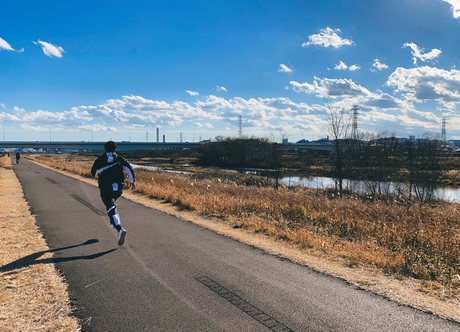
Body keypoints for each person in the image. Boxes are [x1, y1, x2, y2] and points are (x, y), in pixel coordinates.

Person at [91, 141, 136, 245]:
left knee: (110, 205)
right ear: (115, 149)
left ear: (105, 149)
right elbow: (129, 169)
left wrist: (100, 174)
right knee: (112, 204)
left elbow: (94, 173)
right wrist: (132, 182)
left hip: (105, 187)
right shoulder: (120, 159)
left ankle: (119, 229)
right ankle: (113, 220)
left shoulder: (100, 159)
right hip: (118, 187)